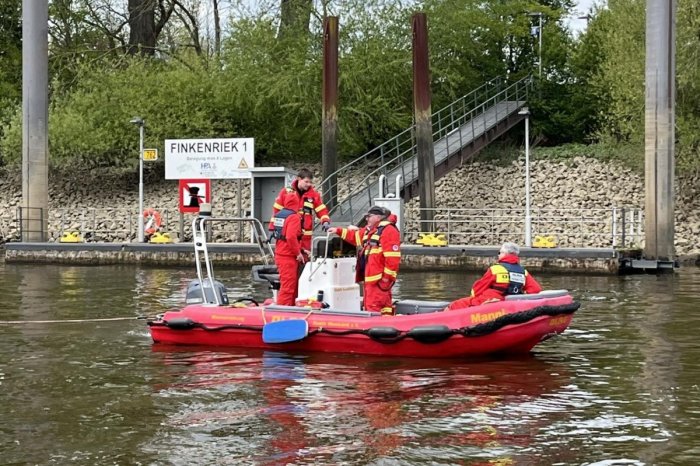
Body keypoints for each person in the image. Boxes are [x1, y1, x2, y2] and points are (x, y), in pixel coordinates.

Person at [328, 206, 401, 315]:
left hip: (379, 280)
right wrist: (337, 231)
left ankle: (381, 326)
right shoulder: (371, 231)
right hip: (371, 279)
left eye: (369, 216)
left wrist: (386, 278)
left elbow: (393, 258)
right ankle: (385, 323)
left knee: (375, 306)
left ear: (378, 217)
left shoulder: (388, 230)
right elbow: (355, 236)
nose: (367, 219)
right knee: (379, 305)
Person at [446, 241, 542, 310]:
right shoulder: (523, 272)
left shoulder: (496, 269)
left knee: (455, 305)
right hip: (510, 303)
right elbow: (535, 289)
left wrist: (473, 298)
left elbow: (477, 290)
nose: (498, 255)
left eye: (499, 253)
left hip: (491, 301)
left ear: (505, 254)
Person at [269, 168, 331, 259]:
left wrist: (325, 221)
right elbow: (277, 211)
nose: (309, 184)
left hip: (305, 236)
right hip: (289, 233)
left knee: (304, 259)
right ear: (299, 179)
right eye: (306, 182)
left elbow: (321, 209)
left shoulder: (313, 195)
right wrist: (273, 228)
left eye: (310, 182)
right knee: (288, 257)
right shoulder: (286, 192)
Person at [272, 196, 305, 306]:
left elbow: (283, 237)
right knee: (288, 287)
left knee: (289, 285)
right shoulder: (294, 217)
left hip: (280, 253)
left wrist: (301, 250)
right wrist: (298, 253)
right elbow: (290, 237)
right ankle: (282, 311)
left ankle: (289, 307)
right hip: (288, 256)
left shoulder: (279, 216)